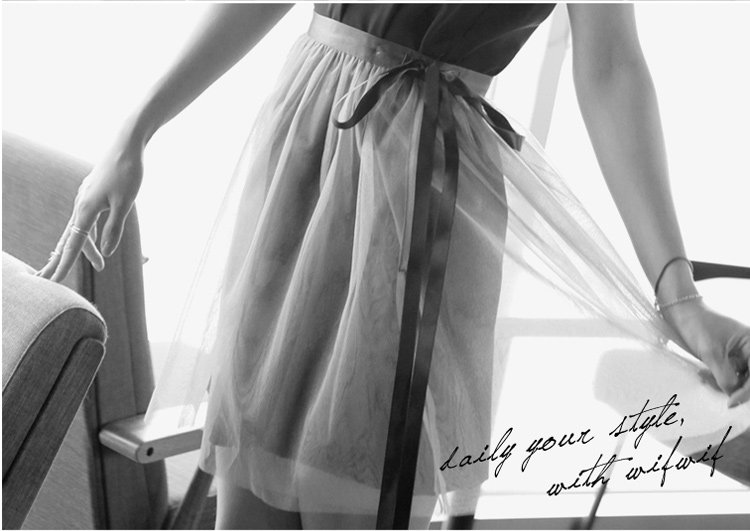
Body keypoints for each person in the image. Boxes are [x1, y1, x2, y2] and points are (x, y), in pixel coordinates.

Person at [35, 3, 750, 529]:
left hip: (424, 190)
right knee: (250, 482)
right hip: (304, 149)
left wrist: (679, 296)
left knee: (357, 488)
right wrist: (137, 127)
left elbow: (612, 65)